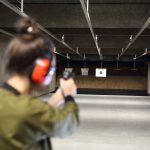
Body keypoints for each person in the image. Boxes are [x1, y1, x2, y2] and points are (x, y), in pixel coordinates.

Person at [0, 17, 79, 150]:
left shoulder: (11, 102)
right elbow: (67, 125)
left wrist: (55, 99)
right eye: (51, 69)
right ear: (41, 68)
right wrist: (69, 97)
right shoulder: (27, 110)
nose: (51, 73)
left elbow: (26, 114)